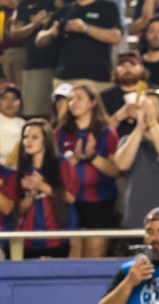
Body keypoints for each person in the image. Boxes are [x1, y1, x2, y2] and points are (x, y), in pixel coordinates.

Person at [55, 83, 121, 258]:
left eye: (79, 98)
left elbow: (116, 171)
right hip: (69, 203)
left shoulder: (107, 133)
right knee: (72, 260)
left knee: (93, 260)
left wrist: (92, 157)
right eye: (71, 99)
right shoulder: (60, 133)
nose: (73, 102)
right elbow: (52, 171)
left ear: (93, 102)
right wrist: (72, 161)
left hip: (99, 203)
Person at [115, 87, 159, 229]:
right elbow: (121, 165)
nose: (146, 110)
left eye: (151, 106)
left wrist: (152, 123)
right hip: (135, 220)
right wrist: (140, 127)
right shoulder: (126, 140)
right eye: (142, 106)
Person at [12, 119, 81, 258]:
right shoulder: (23, 170)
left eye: (34, 137)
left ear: (46, 140)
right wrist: (31, 195)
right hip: (28, 241)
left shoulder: (62, 164)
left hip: (57, 238)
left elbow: (70, 198)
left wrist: (41, 186)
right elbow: (17, 211)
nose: (28, 141)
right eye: (25, 137)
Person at [33, 0, 122, 89]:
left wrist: (85, 28)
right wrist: (51, 32)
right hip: (65, 79)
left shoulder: (108, 7)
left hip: (97, 79)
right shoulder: (64, 10)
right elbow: (39, 41)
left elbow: (116, 37)